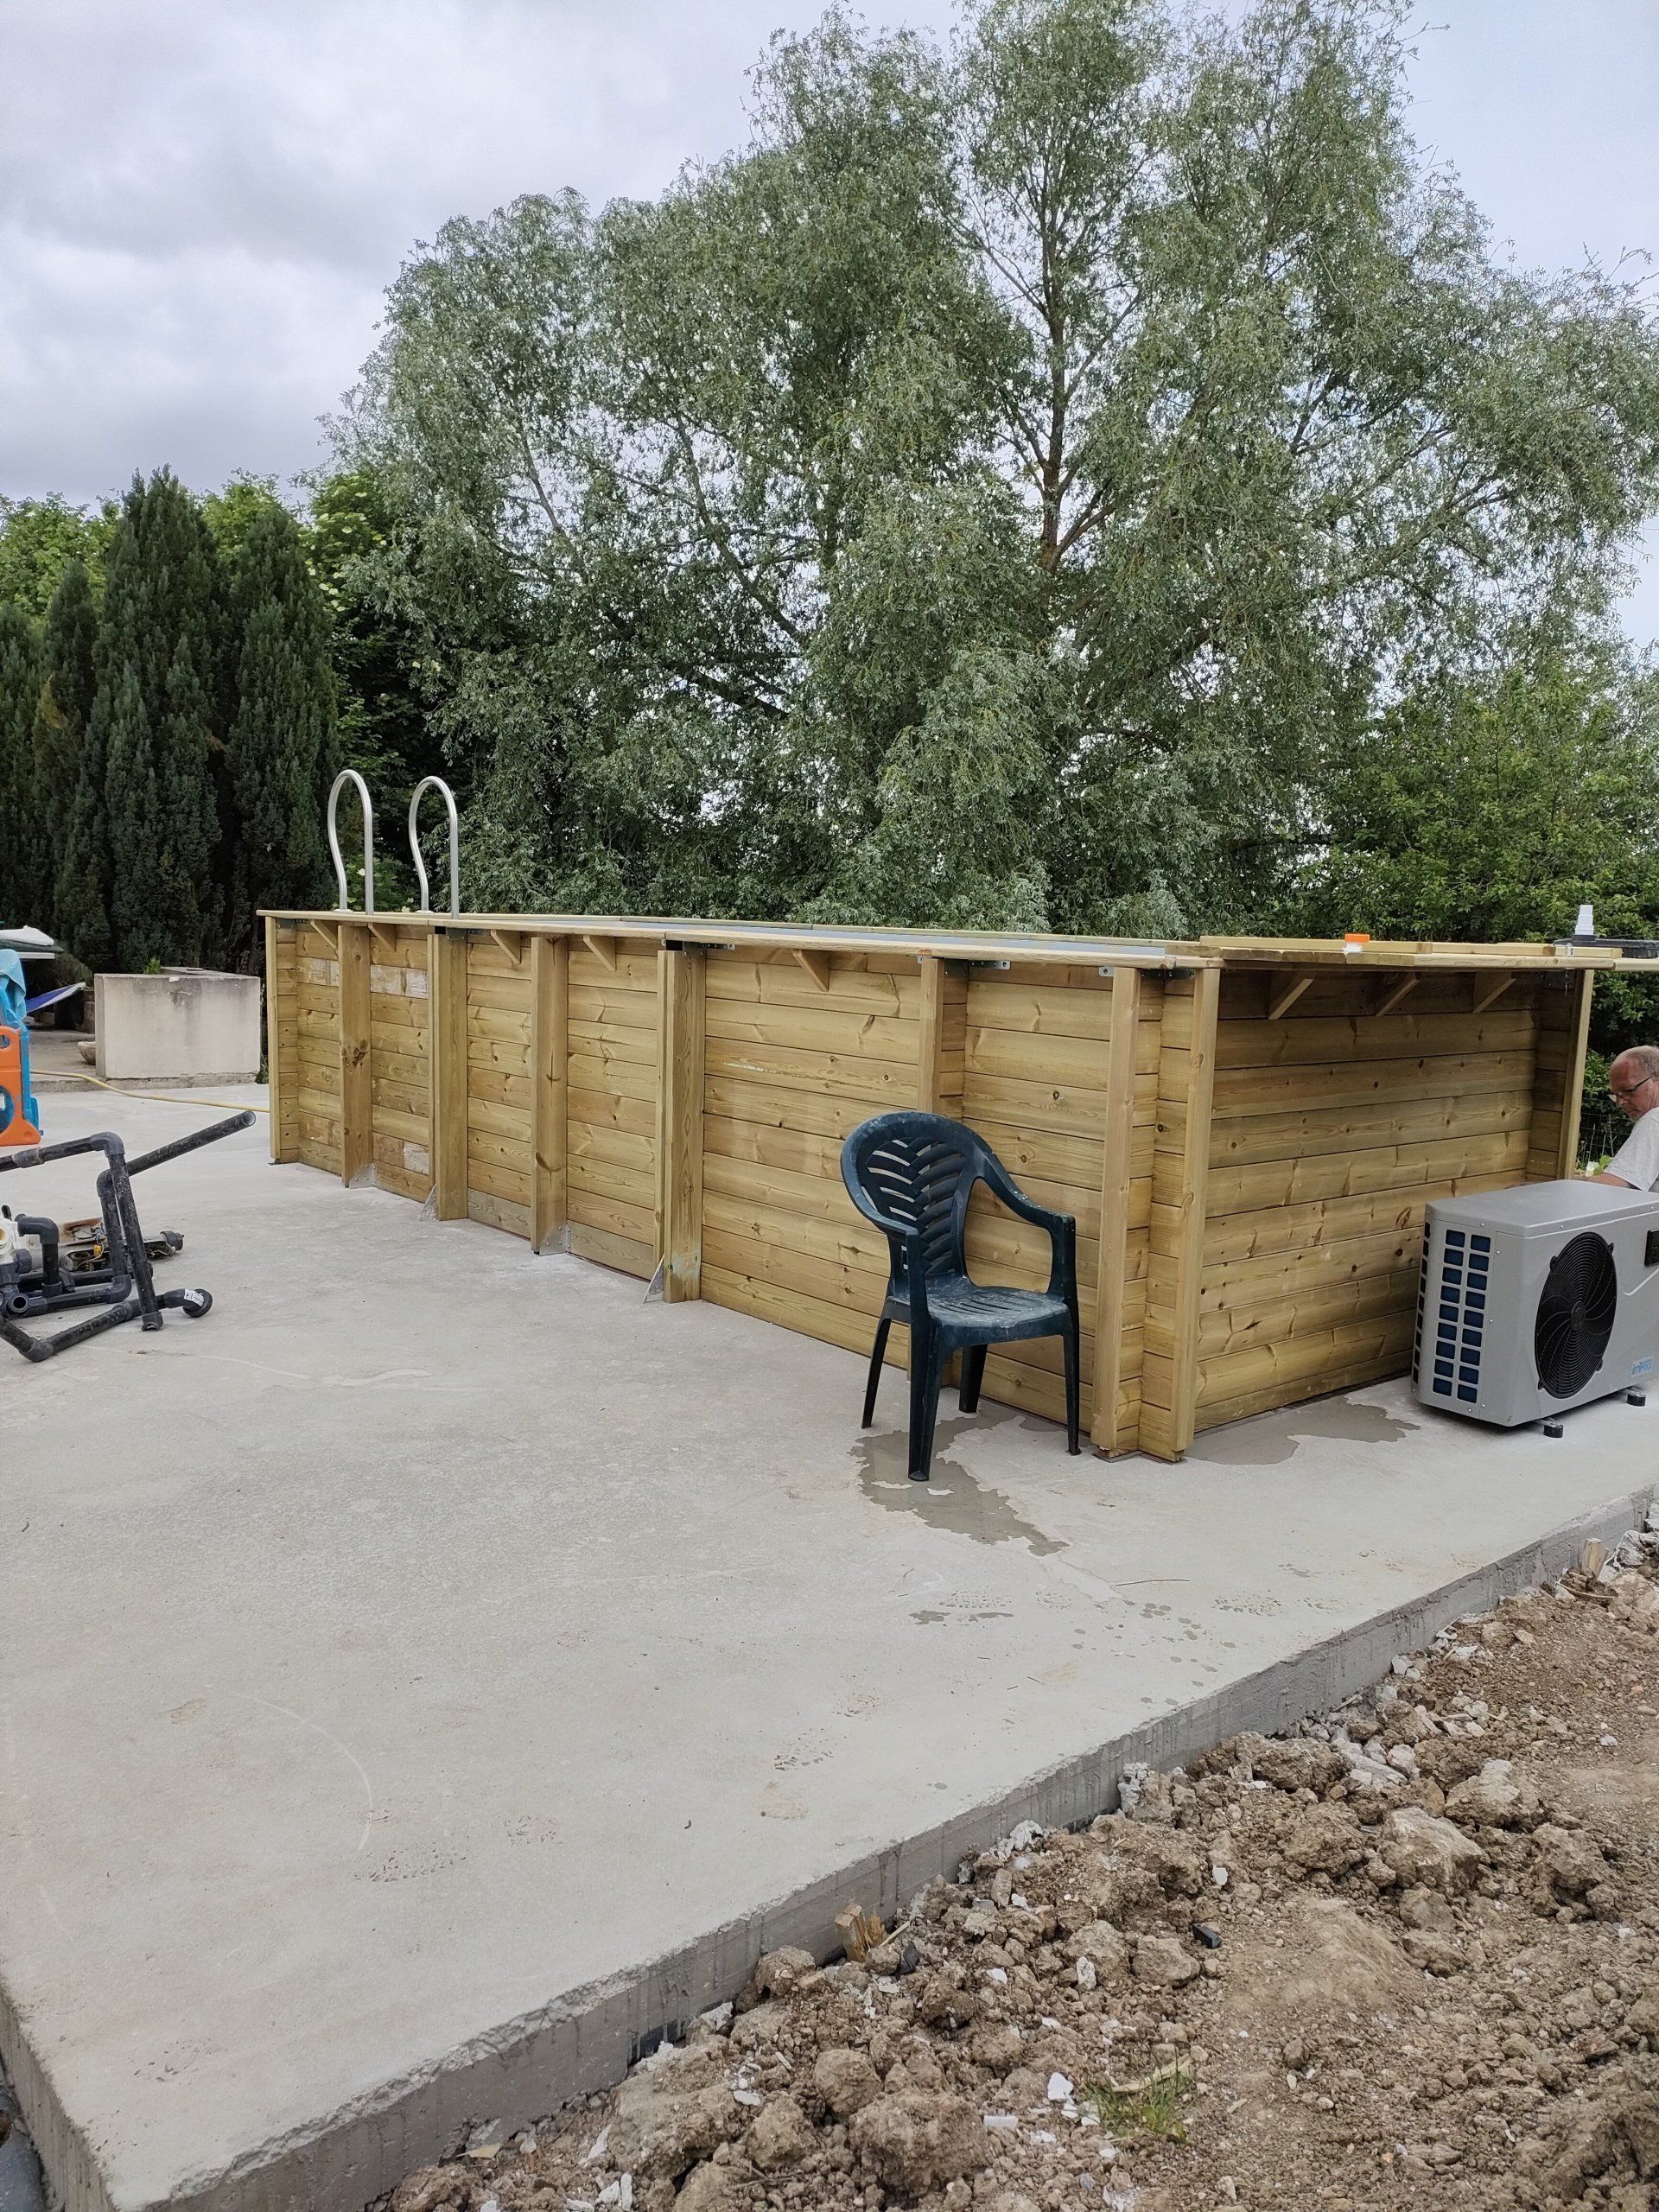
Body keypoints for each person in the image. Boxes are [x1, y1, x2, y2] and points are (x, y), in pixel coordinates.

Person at [1599, 1046, 1659, 1190]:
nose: (1620, 1103)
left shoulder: (1655, 1119)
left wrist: (1559, 1184)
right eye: (1616, 1095)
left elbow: (1614, 1186)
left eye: (1628, 1090)